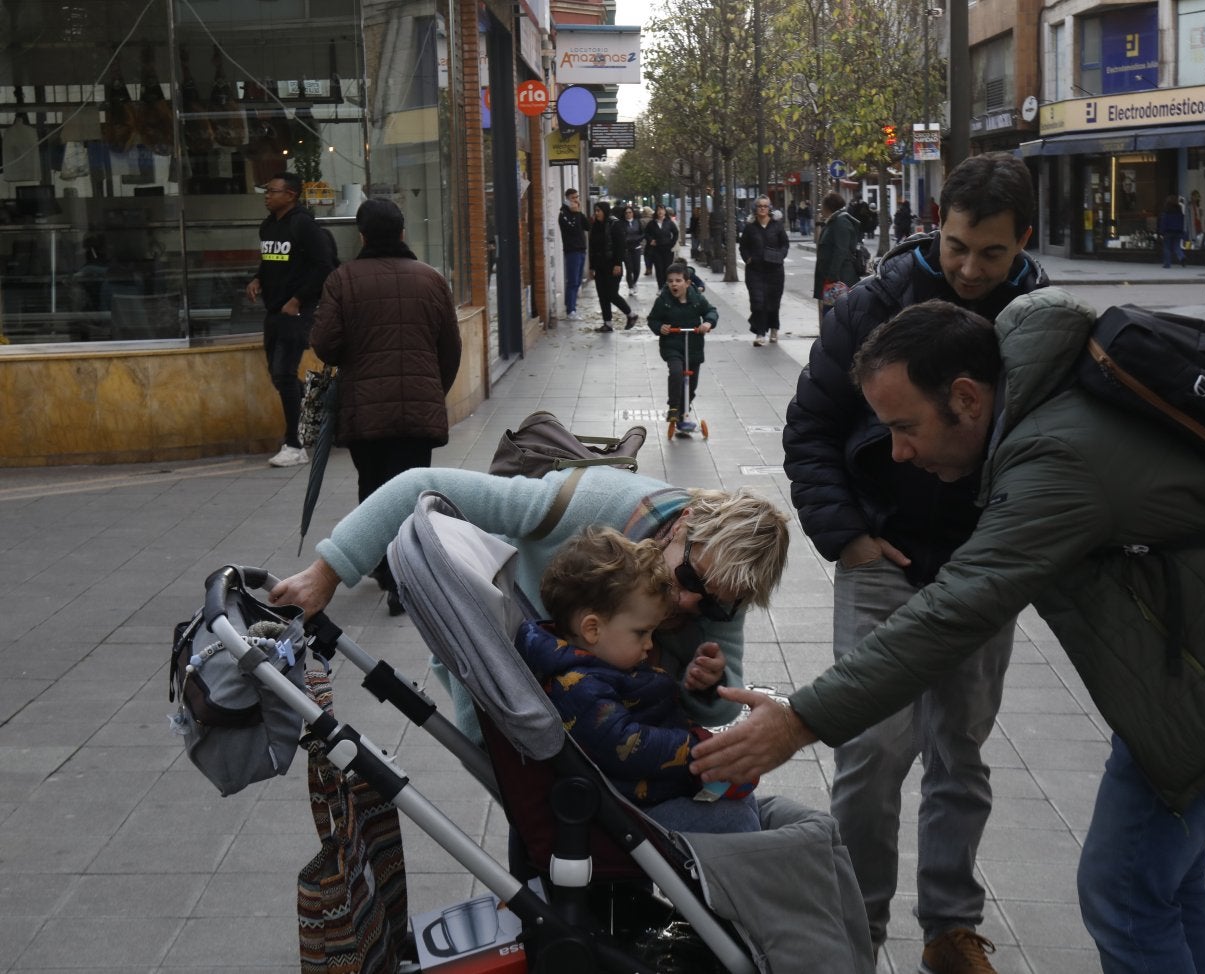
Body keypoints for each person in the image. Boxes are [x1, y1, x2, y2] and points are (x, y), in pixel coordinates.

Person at [695, 292, 1205, 974]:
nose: (898, 453)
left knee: (1123, 895)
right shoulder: (1047, 398)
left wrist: (801, 720)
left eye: (905, 427)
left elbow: (957, 609)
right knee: (1166, 886)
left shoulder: (1055, 458)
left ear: (967, 399)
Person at [783, 152, 1048, 972]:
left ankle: (949, 929)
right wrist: (850, 537)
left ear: (1024, 243)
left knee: (958, 750)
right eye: (958, 245)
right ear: (937, 224)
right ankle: (857, 927)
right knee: (871, 749)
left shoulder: (1042, 323)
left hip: (979, 570)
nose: (970, 269)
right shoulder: (873, 304)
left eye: (991, 254)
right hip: (882, 554)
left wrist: (1007, 550)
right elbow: (811, 430)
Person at [269, 465, 790, 743]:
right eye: (686, 576)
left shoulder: (723, 589)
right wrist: (328, 572)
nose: (690, 602)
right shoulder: (589, 503)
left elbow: (726, 700)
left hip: (596, 702)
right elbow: (421, 485)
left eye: (716, 605)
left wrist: (706, 685)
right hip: (502, 660)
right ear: (683, 524)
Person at [524, 526, 761, 833]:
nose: (650, 644)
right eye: (641, 633)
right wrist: (695, 749)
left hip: (656, 790)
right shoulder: (579, 686)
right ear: (592, 629)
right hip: (629, 813)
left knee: (744, 807)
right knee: (737, 822)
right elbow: (626, 744)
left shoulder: (608, 665)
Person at [309, 198, 462, 613]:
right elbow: (450, 350)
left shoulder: (343, 280)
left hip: (365, 409)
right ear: (402, 233)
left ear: (361, 236)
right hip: (417, 412)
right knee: (412, 490)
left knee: (374, 490)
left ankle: (385, 569)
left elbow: (325, 344)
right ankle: (404, 574)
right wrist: (431, 390)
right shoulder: (431, 280)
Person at [244, 170, 335, 467]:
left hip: (297, 311)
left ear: (291, 196)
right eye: (266, 191)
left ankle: (295, 445)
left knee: (284, 373)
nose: (267, 196)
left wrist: (298, 300)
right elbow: (271, 260)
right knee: (278, 375)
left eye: (273, 191)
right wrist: (257, 279)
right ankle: (319, 417)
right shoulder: (269, 226)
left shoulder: (304, 225)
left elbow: (325, 266)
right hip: (274, 311)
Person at [648, 262, 717, 432]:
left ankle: (683, 412)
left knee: (691, 386)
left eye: (678, 280)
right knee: (677, 372)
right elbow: (653, 319)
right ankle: (674, 408)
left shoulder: (697, 299)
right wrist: (660, 327)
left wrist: (708, 322)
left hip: (693, 346)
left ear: (687, 283)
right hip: (672, 345)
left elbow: (711, 310)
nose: (674, 284)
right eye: (670, 281)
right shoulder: (663, 301)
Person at [739, 195, 789, 346]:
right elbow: (743, 246)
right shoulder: (750, 227)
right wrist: (748, 258)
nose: (762, 208)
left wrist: (780, 256)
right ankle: (760, 333)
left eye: (765, 206)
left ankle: (774, 328)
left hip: (775, 271)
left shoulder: (777, 226)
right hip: (755, 271)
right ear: (755, 208)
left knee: (773, 302)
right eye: (760, 206)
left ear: (770, 208)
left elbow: (785, 244)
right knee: (757, 302)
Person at [587, 201, 638, 333]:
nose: (597, 213)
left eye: (599, 211)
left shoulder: (614, 224)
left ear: (605, 211)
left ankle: (631, 315)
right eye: (595, 211)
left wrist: (617, 264)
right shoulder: (596, 226)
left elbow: (620, 246)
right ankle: (607, 323)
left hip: (612, 265)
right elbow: (592, 248)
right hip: (599, 266)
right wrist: (592, 267)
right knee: (602, 295)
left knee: (611, 294)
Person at [813, 191, 862, 304]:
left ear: (829, 207)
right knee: (829, 314)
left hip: (839, 281)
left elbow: (841, 251)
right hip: (834, 281)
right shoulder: (834, 221)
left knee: (834, 315)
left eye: (823, 205)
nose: (822, 209)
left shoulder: (840, 222)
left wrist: (831, 276)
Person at [558, 187, 588, 321]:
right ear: (567, 199)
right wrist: (575, 214)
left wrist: (580, 213)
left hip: (581, 250)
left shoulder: (577, 213)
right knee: (572, 281)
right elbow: (573, 229)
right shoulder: (564, 214)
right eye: (573, 198)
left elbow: (587, 226)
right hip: (572, 251)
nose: (576, 200)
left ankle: (572, 305)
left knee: (577, 281)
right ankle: (570, 310)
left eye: (577, 197)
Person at [645, 205, 679, 288]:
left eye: (662, 210)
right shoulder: (652, 223)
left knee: (667, 269)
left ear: (665, 211)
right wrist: (650, 240)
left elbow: (675, 233)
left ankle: (667, 286)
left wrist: (672, 243)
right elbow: (646, 233)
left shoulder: (669, 222)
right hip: (656, 249)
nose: (660, 212)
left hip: (667, 249)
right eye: (658, 210)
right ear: (656, 212)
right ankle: (661, 287)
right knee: (659, 269)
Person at [621, 203, 646, 295]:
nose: (628, 214)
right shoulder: (622, 223)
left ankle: (634, 282)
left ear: (633, 213)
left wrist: (638, 239)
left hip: (636, 247)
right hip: (626, 249)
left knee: (637, 269)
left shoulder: (637, 222)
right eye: (626, 213)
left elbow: (643, 233)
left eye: (630, 212)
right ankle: (630, 286)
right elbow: (620, 235)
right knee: (629, 268)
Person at [1158, 194, 1186, 268]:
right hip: (1178, 231)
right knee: (1177, 246)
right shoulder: (1179, 211)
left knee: (1166, 247)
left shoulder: (1166, 211)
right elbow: (1182, 221)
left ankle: (1167, 264)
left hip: (1168, 231)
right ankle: (1182, 257)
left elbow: (1164, 222)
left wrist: (1161, 232)